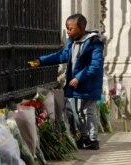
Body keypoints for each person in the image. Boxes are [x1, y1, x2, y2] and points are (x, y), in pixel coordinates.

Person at [29, 13, 105, 150]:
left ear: (81, 27)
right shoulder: (72, 41)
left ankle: (93, 140)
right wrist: (41, 60)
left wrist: (79, 77)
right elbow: (62, 56)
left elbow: (95, 65)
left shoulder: (94, 43)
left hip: (89, 84)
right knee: (79, 111)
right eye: (67, 28)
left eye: (70, 28)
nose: (68, 31)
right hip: (78, 85)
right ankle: (84, 137)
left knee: (88, 111)